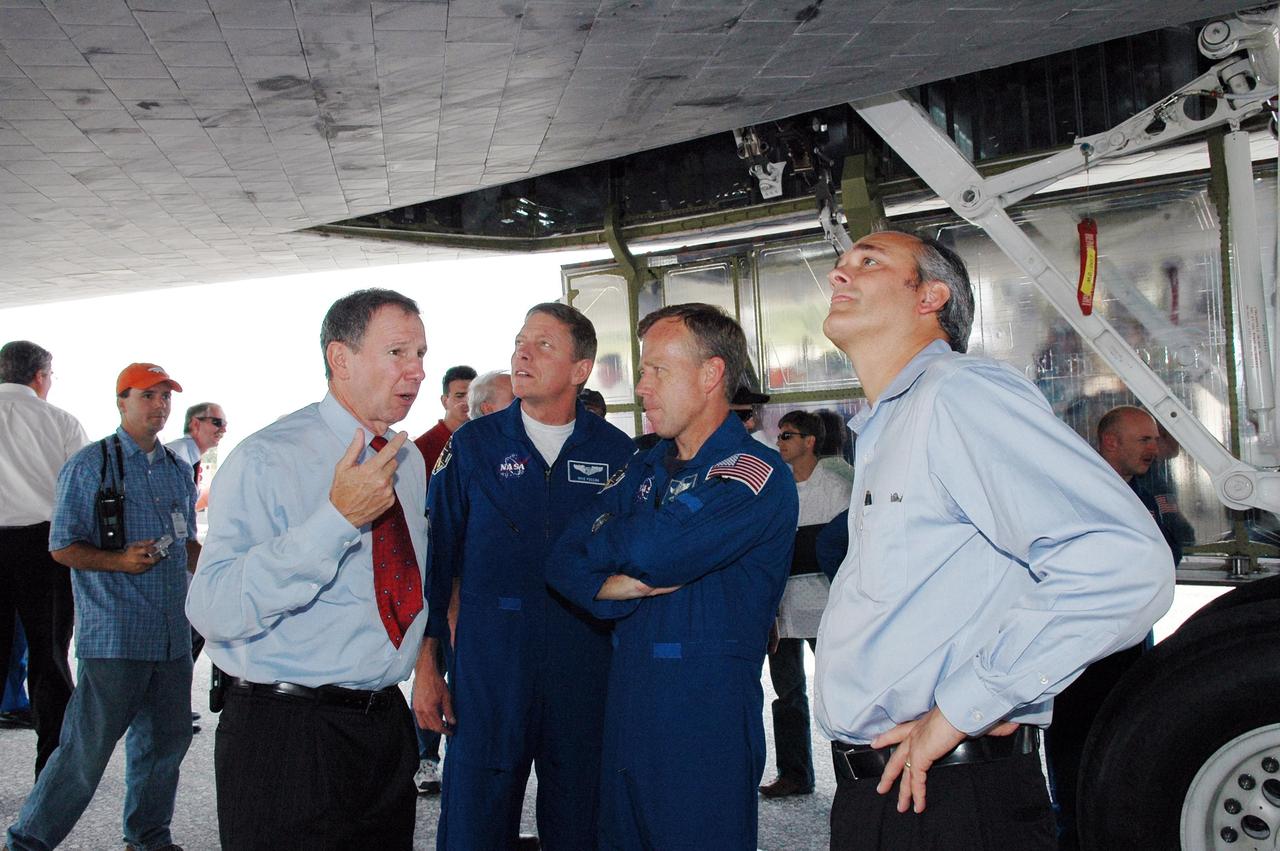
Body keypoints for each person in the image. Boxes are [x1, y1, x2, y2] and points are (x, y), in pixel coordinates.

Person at [814, 230, 1174, 851]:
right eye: (841, 265)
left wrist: (963, 707)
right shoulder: (888, 423)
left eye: (868, 262)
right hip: (892, 792)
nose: (839, 275)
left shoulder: (960, 394)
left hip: (951, 797)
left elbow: (1122, 561)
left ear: (932, 296)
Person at [186, 289, 432, 851]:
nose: (417, 371)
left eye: (421, 353)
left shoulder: (407, 459)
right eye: (398, 352)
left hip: (382, 730)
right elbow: (212, 607)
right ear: (339, 359)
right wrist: (336, 520)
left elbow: (400, 585)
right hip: (287, 733)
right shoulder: (267, 457)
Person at [547, 303, 798, 850]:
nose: (641, 386)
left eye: (658, 369)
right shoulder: (642, 467)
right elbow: (561, 556)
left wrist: (613, 543)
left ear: (710, 375)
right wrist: (605, 582)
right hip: (628, 711)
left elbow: (659, 550)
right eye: (643, 371)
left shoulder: (753, 474)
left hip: (702, 726)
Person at [417, 302, 635, 850]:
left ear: (580, 369)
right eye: (519, 341)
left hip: (584, 663)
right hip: (491, 663)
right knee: (475, 818)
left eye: (543, 345)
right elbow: (436, 564)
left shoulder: (617, 454)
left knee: (582, 815)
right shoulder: (472, 446)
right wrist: (427, 667)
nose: (522, 353)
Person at [6, 362, 198, 851]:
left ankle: (149, 837)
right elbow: (61, 546)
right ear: (122, 401)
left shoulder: (178, 469)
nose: (158, 405)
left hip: (172, 636)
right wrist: (118, 561)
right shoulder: (91, 464)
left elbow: (187, 544)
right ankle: (27, 842)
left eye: (164, 396)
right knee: (85, 751)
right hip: (116, 634)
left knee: (165, 745)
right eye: (147, 396)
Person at [1043, 405, 1182, 850]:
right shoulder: (1074, 493)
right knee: (1075, 759)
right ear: (1110, 443)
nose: (1154, 448)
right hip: (1082, 655)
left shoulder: (1152, 489)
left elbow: (1175, 540)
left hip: (1133, 647)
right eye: (1144, 440)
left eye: (1155, 439)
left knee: (1129, 750)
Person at [0, 341, 85, 778]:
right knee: (48, 656)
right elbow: (83, 492)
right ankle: (51, 773)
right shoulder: (60, 422)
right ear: (40, 375)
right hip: (43, 547)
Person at [760, 410, 852, 799]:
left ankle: (849, 769)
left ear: (810, 442)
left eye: (788, 435)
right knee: (787, 694)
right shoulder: (775, 490)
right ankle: (795, 774)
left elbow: (848, 549)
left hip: (829, 606)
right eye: (779, 435)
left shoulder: (834, 487)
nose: (780, 442)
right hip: (784, 611)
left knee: (839, 692)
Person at [409, 365, 475, 796]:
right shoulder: (421, 451)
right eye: (457, 395)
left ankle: (463, 757)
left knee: (466, 676)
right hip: (436, 584)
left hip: (474, 586)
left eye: (471, 395)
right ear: (444, 400)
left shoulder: (486, 447)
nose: (464, 403)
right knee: (431, 668)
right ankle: (426, 758)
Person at [415, 365, 476, 468]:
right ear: (444, 401)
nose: (467, 402)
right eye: (460, 396)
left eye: (473, 396)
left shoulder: (485, 440)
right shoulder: (421, 449)